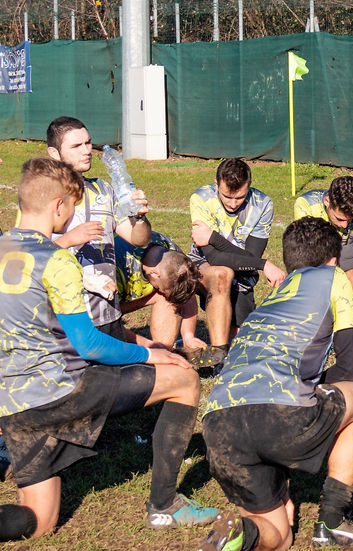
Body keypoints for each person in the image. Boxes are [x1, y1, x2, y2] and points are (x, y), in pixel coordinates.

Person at [0, 158, 217, 541]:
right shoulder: (57, 261)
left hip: (12, 405)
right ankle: (164, 506)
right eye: (72, 206)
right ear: (57, 207)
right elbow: (89, 344)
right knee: (183, 378)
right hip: (58, 392)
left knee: (38, 523)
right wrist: (152, 353)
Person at [198, 217, 353, 551]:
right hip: (277, 413)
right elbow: (350, 367)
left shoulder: (275, 295)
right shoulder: (333, 276)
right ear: (333, 259)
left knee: (279, 537)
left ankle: (240, 534)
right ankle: (332, 523)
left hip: (218, 422)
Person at [45, 116, 152, 341]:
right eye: (76, 146)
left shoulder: (102, 189)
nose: (87, 151)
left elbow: (138, 239)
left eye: (88, 143)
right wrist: (71, 238)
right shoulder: (42, 193)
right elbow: (29, 256)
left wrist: (139, 218)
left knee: (114, 374)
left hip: (107, 310)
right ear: (54, 153)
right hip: (66, 316)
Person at [190, 158, 286, 367]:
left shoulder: (262, 204)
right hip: (203, 264)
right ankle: (218, 359)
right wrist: (263, 265)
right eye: (226, 196)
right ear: (216, 185)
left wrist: (214, 237)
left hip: (244, 272)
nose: (233, 204)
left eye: (240, 197)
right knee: (222, 274)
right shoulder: (201, 198)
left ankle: (225, 346)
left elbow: (250, 255)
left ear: (249, 188)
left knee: (243, 346)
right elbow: (214, 257)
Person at [295, 176, 353, 378]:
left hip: (346, 268)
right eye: (340, 219)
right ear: (326, 202)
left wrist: (340, 257)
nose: (345, 224)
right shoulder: (306, 204)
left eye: (350, 220)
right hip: (307, 272)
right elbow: (312, 260)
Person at [114, 231, 209, 353]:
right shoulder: (116, 263)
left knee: (169, 297)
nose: (160, 290)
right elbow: (103, 320)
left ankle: (164, 351)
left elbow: (186, 293)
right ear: (155, 273)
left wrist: (188, 336)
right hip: (96, 306)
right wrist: (147, 345)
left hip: (119, 299)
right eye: (161, 287)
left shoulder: (172, 253)